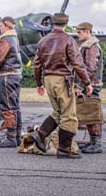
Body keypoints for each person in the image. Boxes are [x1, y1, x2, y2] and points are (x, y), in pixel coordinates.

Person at [32, 13, 93, 159]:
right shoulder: (68, 40)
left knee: (58, 112)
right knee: (69, 116)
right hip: (62, 80)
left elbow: (37, 64)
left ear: (53, 23)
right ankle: (65, 150)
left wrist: (39, 83)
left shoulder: (43, 41)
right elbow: (78, 64)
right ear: (66, 24)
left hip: (48, 79)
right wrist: (87, 83)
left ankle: (40, 135)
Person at [0, 17, 23, 148]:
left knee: (7, 106)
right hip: (16, 74)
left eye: (1, 25)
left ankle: (11, 138)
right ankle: (17, 136)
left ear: (7, 26)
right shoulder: (14, 38)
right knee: (15, 106)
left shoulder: (5, 39)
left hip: (6, 75)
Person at [75, 22, 104, 153]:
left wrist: (82, 85)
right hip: (90, 85)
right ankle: (93, 142)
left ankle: (96, 144)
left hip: (91, 85)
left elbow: (90, 69)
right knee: (89, 114)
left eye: (79, 32)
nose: (77, 34)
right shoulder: (88, 46)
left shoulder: (91, 47)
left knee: (92, 114)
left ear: (87, 31)